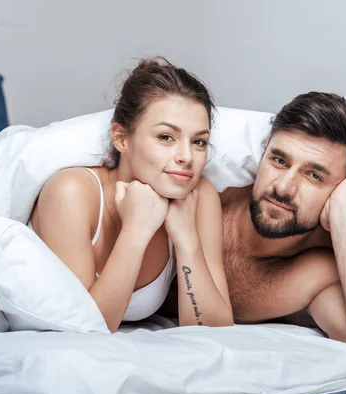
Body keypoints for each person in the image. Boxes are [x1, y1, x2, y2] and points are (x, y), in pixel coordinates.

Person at [162, 92, 346, 364]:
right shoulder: (207, 195)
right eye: (279, 161)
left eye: (314, 175)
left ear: (344, 187)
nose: (283, 187)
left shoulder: (316, 273)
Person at [29, 57, 233, 333]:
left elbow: (214, 328)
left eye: (199, 142)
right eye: (166, 137)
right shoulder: (72, 192)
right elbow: (85, 328)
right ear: (121, 138)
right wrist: (135, 231)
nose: (187, 157)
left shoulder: (198, 197)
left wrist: (187, 241)